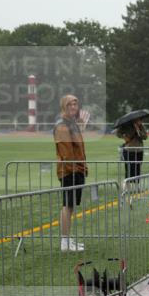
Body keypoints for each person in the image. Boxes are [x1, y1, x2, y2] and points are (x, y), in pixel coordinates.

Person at [54, 95, 89, 252]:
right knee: (67, 206)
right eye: (70, 104)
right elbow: (66, 152)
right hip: (70, 171)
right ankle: (65, 242)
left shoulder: (72, 124)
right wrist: (75, 169)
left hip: (77, 170)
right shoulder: (62, 126)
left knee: (71, 205)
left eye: (76, 103)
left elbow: (77, 148)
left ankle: (68, 240)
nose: (74, 107)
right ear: (64, 106)